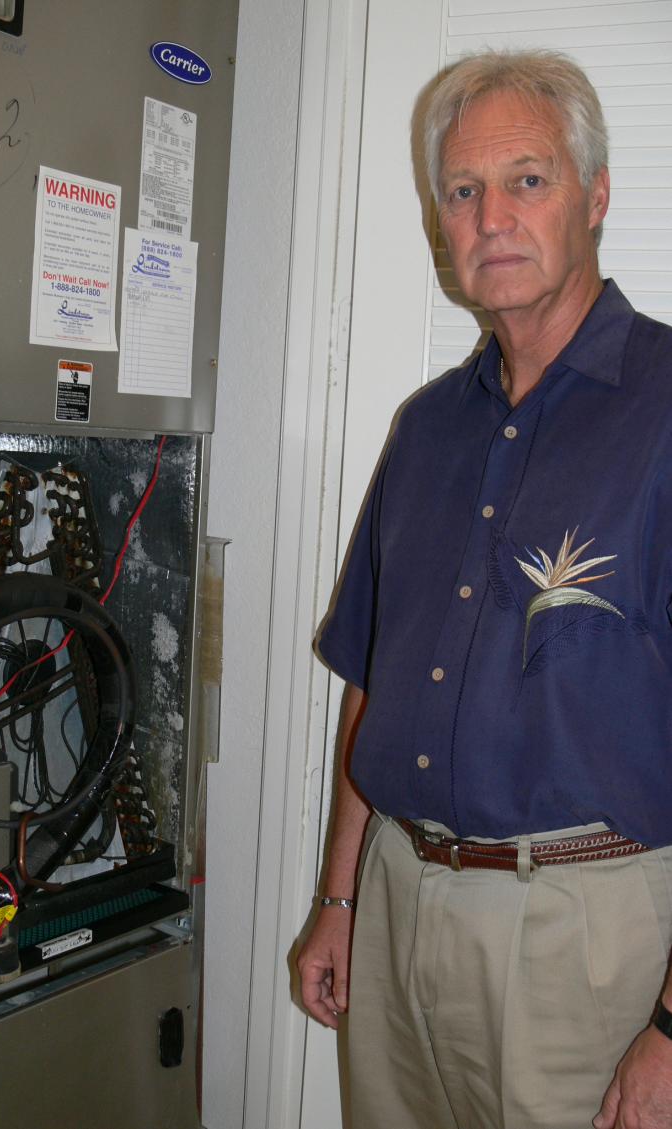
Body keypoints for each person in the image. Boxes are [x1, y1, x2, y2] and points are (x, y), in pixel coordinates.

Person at [297, 48, 672, 1129]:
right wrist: (341, 896)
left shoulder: (664, 414)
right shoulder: (425, 431)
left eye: (528, 179)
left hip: (585, 943)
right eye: (462, 191)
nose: (491, 215)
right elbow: (374, 682)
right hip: (400, 906)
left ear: (595, 197)